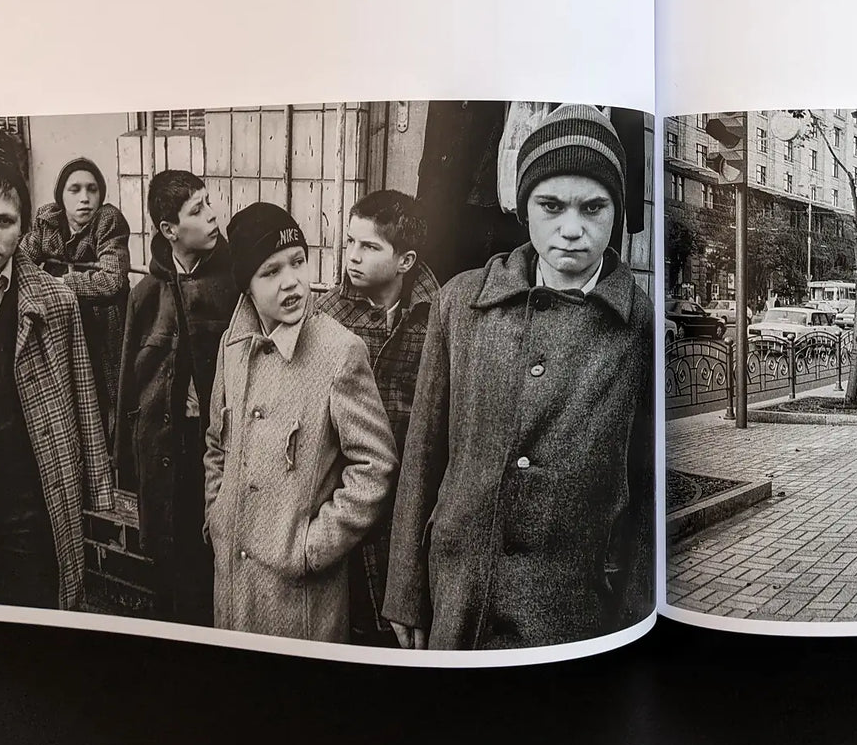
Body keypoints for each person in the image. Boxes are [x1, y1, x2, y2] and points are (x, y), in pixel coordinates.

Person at [384, 104, 654, 650]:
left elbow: (646, 484)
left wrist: (633, 610)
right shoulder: (460, 303)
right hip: (460, 596)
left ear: (617, 211)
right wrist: (406, 590)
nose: (571, 229)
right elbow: (423, 453)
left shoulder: (637, 324)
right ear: (525, 206)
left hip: (575, 610)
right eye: (551, 206)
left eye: (594, 207)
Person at [203, 203, 397, 643]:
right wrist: (217, 514)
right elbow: (216, 444)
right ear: (246, 285)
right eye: (270, 271)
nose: (291, 281)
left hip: (299, 598)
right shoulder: (232, 345)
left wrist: (313, 547)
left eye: (297, 261)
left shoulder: (339, 352)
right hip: (232, 582)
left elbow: (375, 466)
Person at [0, 147, 115, 609]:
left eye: (4, 222)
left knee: (34, 599)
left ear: (21, 227)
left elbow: (83, 393)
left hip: (32, 487)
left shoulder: (55, 301)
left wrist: (98, 483)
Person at [316, 190, 441, 647]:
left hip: (412, 499)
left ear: (405, 260)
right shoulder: (326, 315)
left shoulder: (439, 317)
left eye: (369, 246)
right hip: (346, 493)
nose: (352, 256)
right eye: (350, 241)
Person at [115, 171, 235, 626]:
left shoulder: (234, 285)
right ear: (169, 229)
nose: (212, 216)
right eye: (197, 210)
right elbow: (129, 381)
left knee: (209, 557)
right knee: (167, 560)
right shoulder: (146, 294)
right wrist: (126, 460)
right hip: (164, 446)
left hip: (216, 447)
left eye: (209, 203)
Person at [18, 157, 131, 439]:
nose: (85, 198)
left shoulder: (108, 221)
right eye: (75, 189)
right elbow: (21, 262)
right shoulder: (48, 221)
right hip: (60, 323)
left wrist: (59, 282)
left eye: (92, 189)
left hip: (100, 326)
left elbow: (112, 280)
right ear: (61, 196)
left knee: (103, 393)